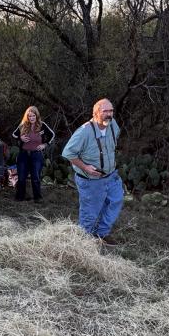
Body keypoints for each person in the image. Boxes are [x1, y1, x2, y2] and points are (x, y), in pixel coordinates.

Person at [61, 98, 124, 242]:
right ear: (95, 113)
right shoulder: (84, 132)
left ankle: (101, 233)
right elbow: (68, 153)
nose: (109, 114)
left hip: (111, 176)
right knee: (90, 213)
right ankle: (83, 242)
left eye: (111, 110)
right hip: (91, 181)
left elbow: (113, 142)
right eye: (105, 111)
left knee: (115, 201)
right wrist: (85, 167)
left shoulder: (113, 124)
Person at [12, 106, 54, 202]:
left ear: (37, 116)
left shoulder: (42, 125)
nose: (31, 118)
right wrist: (20, 138)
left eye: (33, 116)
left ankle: (37, 198)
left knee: (35, 177)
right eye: (29, 116)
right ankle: (19, 197)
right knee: (21, 177)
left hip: (36, 155)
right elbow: (14, 134)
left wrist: (45, 144)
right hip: (23, 154)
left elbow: (52, 134)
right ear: (27, 117)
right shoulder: (23, 125)